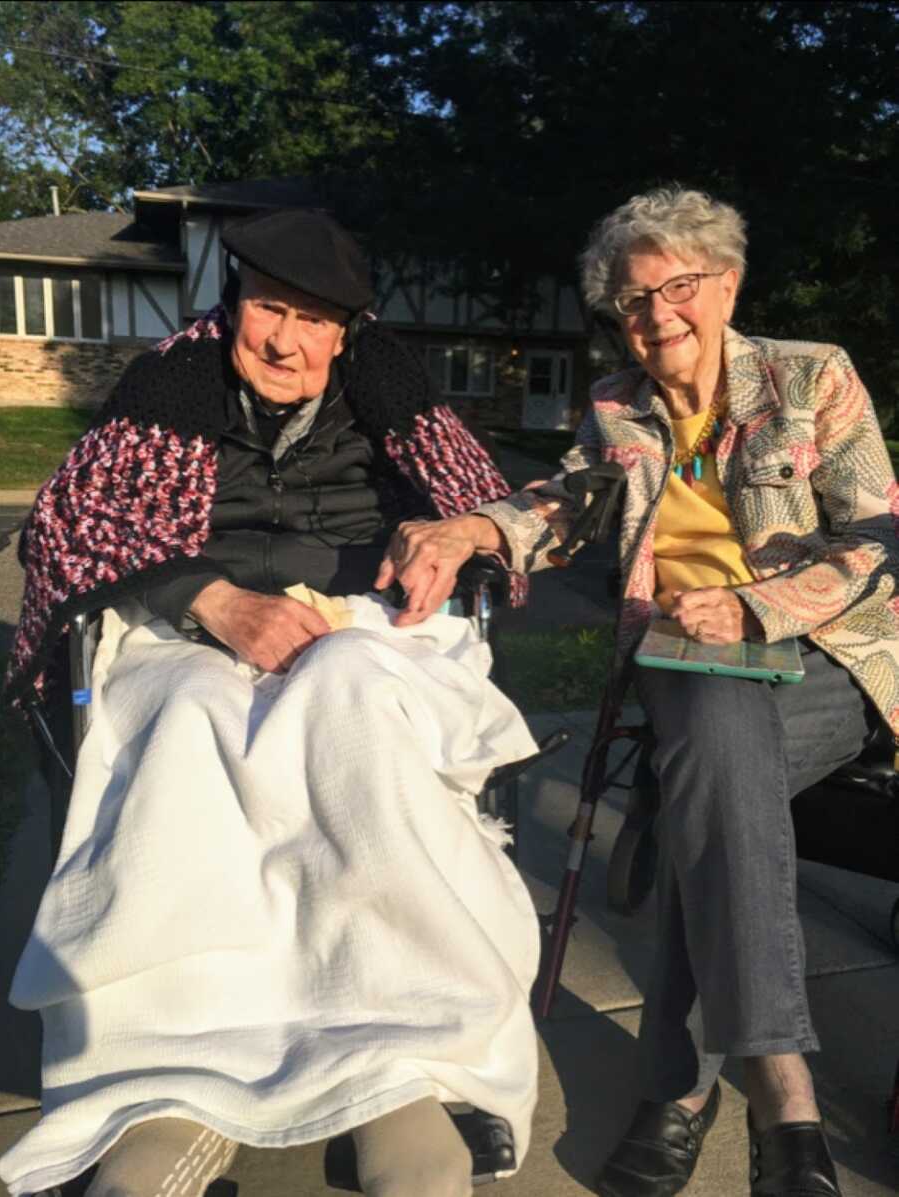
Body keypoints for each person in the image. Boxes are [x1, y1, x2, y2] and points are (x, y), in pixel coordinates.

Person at [0, 208, 540, 1197]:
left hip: (364, 621)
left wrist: (458, 535)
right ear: (235, 301)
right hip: (192, 617)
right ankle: (162, 1068)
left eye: (311, 319)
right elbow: (77, 527)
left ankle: (403, 1053)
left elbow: (495, 508)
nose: (285, 339)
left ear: (347, 331)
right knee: (184, 721)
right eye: (267, 308)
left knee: (346, 702)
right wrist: (211, 600)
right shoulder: (170, 383)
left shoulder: (394, 397)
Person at [378, 186, 899, 1197]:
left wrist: (760, 608)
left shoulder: (810, 378)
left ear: (727, 283)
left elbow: (881, 536)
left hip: (827, 655)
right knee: (709, 728)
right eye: (630, 301)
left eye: (678, 287)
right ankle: (788, 1102)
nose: (656, 314)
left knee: (700, 782)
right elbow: (567, 502)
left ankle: (683, 1088)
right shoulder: (616, 402)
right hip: (681, 661)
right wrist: (475, 529)